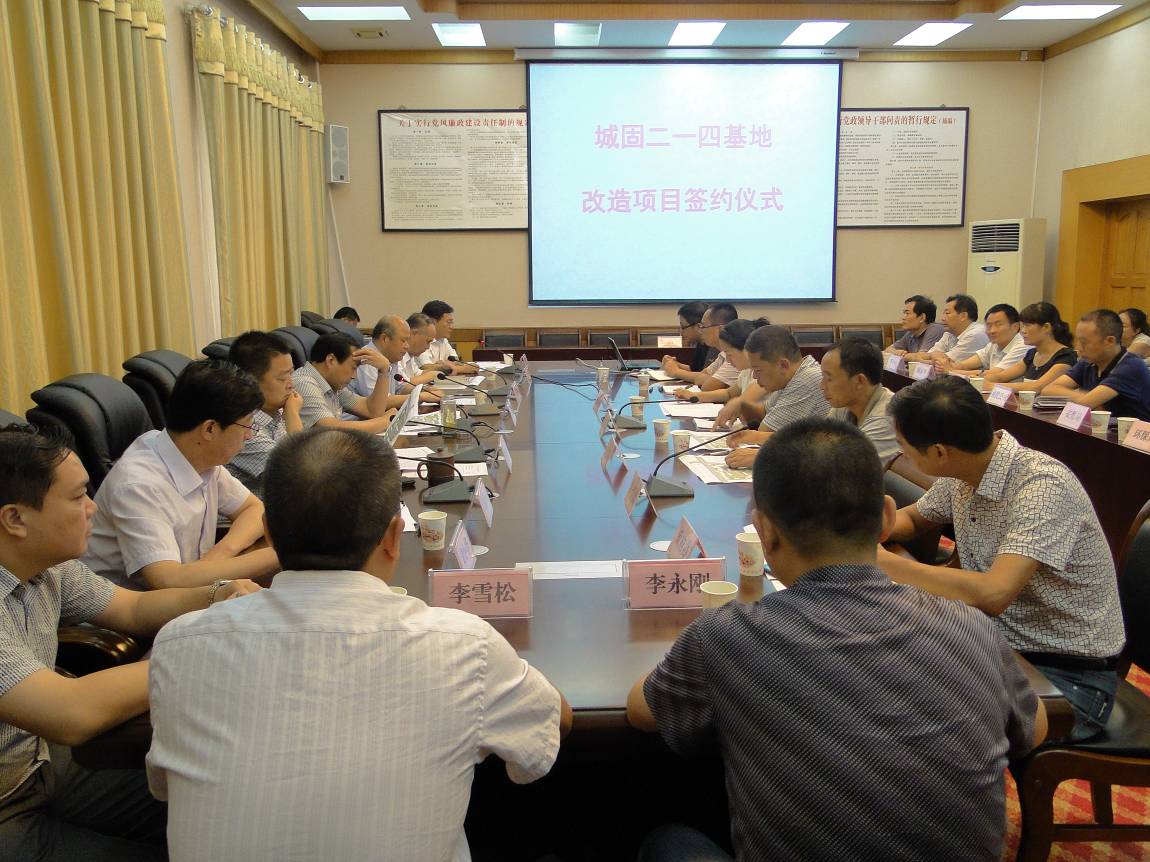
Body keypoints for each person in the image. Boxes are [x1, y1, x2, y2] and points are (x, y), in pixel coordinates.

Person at [628, 418, 1044, 862]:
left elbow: (641, 710)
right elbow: (1034, 729)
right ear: (887, 517)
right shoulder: (971, 626)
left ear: (764, 532)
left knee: (666, 840)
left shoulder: (726, 635)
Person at [147, 428, 572, 862]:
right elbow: (553, 721)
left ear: (269, 534)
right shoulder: (464, 646)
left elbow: (164, 787)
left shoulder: (179, 645)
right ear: (394, 536)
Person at [0, 424, 258, 861]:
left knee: (225, 806)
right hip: (8, 806)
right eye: (78, 497)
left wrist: (218, 594)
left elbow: (134, 609)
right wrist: (201, 646)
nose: (92, 508)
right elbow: (70, 712)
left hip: (45, 763)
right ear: (15, 519)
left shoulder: (47, 566)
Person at [877, 376, 1125, 740]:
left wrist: (888, 564)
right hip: (1000, 645)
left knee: (911, 712)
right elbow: (914, 519)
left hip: (1066, 678)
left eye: (903, 445)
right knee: (885, 670)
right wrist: (857, 533)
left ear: (939, 452)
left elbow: (994, 593)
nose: (902, 451)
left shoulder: (1042, 486)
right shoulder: (967, 468)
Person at [82, 360, 280, 590]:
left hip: (190, 588)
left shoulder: (196, 455)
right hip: (128, 606)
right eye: (247, 427)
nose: (249, 436)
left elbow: (253, 509)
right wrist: (281, 554)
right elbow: (168, 580)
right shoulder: (138, 484)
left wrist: (218, 556)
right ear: (209, 429)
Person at [722, 326, 830, 469]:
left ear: (783, 365)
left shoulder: (805, 380)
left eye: (757, 370)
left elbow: (765, 430)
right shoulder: (792, 374)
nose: (754, 377)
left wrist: (758, 440)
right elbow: (764, 412)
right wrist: (742, 405)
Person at [225, 331, 304, 491]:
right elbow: (304, 474)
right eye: (282, 378)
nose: (291, 384)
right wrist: (293, 414)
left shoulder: (277, 409)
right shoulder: (243, 427)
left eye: (291, 373)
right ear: (251, 381)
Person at [1044, 308, 1150, 420]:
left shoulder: (1130, 366)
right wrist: (1088, 398)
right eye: (1078, 341)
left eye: (1084, 343)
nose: (1078, 348)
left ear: (1110, 341)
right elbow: (1048, 390)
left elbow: (1083, 405)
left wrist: (1086, 400)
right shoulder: (1088, 361)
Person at [292, 332, 398, 432]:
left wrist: (384, 370)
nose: (354, 376)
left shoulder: (332, 383)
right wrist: (386, 421)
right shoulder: (304, 383)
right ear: (331, 361)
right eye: (353, 368)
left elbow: (371, 410)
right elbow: (330, 429)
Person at [820, 338, 899, 466]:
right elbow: (819, 440)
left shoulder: (886, 419)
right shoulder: (845, 404)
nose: (822, 386)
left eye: (829, 379)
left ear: (859, 381)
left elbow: (843, 468)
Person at [693, 321, 770, 433]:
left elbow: (755, 390)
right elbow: (729, 393)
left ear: (747, 350)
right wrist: (696, 396)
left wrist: (736, 403)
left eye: (729, 354)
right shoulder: (746, 371)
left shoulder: (764, 373)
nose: (728, 360)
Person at [982, 301, 1077, 392]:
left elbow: (1036, 387)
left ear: (1046, 327)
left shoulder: (1065, 356)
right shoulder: (1032, 354)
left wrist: (992, 386)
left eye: (1027, 325)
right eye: (1022, 326)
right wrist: (980, 380)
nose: (1022, 331)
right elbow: (1001, 376)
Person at [935, 303, 1028, 380]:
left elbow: (995, 374)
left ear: (1015, 327)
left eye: (998, 325)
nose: (992, 330)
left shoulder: (1023, 345)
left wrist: (951, 371)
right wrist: (947, 365)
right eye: (989, 325)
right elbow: (964, 365)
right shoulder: (993, 345)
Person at [660, 303, 742, 391]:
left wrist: (676, 372)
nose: (700, 331)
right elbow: (701, 376)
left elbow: (707, 386)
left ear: (720, 329)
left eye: (703, 326)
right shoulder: (722, 354)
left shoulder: (736, 355)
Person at [907, 294, 988, 363]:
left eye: (947, 313)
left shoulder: (975, 335)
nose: (942, 318)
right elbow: (929, 355)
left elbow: (943, 364)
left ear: (963, 316)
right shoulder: (950, 333)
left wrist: (920, 358)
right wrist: (928, 356)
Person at [420, 300, 469, 374]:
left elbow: (456, 361)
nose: (452, 327)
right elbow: (426, 367)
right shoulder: (421, 340)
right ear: (432, 322)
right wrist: (445, 366)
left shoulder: (443, 339)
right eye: (449, 322)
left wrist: (443, 365)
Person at [676, 301, 717, 373]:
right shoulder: (701, 343)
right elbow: (695, 370)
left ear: (698, 327)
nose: (681, 332)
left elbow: (704, 376)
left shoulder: (715, 346)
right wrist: (675, 364)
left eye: (683, 327)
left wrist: (676, 371)